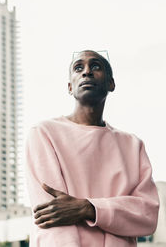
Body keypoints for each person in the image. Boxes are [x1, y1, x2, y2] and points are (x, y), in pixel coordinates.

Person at [25, 50, 159, 247]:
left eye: (95, 66)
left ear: (111, 83)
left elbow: (147, 215)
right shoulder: (44, 133)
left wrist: (89, 208)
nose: (86, 72)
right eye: (78, 68)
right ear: (70, 87)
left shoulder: (133, 145)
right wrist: (118, 211)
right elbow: (53, 216)